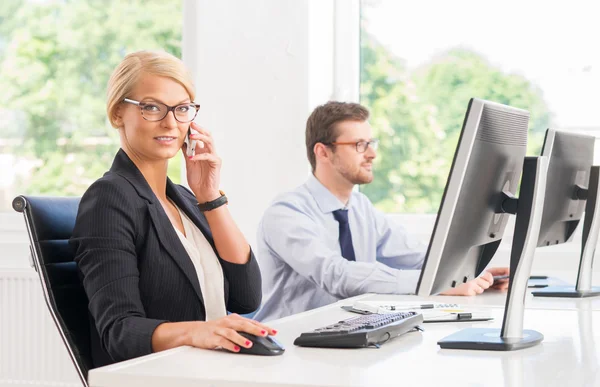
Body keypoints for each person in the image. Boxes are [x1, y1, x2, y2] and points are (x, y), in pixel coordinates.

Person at [70, 50, 276, 367]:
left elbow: (246, 297)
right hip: (164, 375)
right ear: (117, 114)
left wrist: (209, 197)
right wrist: (199, 332)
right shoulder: (109, 199)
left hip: (213, 370)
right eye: (152, 107)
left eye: (182, 109)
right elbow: (120, 331)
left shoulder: (188, 200)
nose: (170, 122)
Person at [254, 101, 509, 322]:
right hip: (289, 344)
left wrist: (468, 270)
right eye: (359, 145)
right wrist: (433, 284)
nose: (373, 154)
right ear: (323, 152)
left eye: (371, 143)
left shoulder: (360, 208)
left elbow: (417, 256)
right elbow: (336, 274)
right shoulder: (287, 213)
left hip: (347, 334)